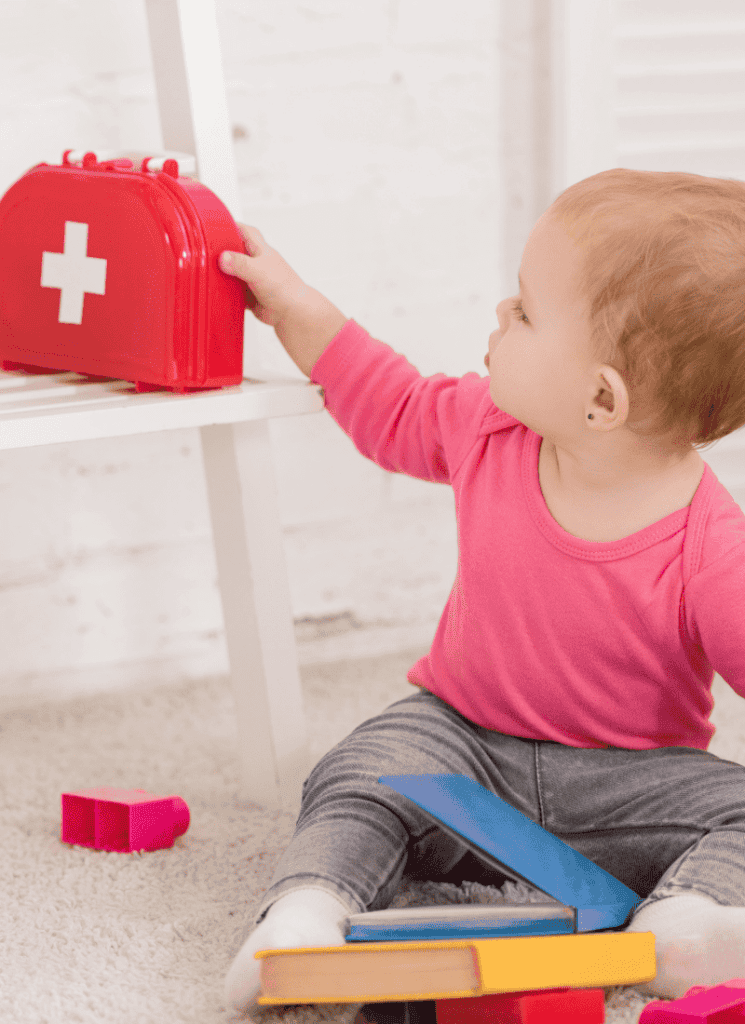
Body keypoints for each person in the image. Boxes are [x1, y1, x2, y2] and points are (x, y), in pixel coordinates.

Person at [218, 168, 745, 1016]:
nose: (500, 316)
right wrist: (296, 308)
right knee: (362, 769)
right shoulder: (485, 427)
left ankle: (688, 923)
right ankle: (308, 910)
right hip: (460, 742)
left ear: (600, 398)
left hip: (631, 782)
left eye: (526, 312)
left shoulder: (714, 546)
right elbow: (387, 402)